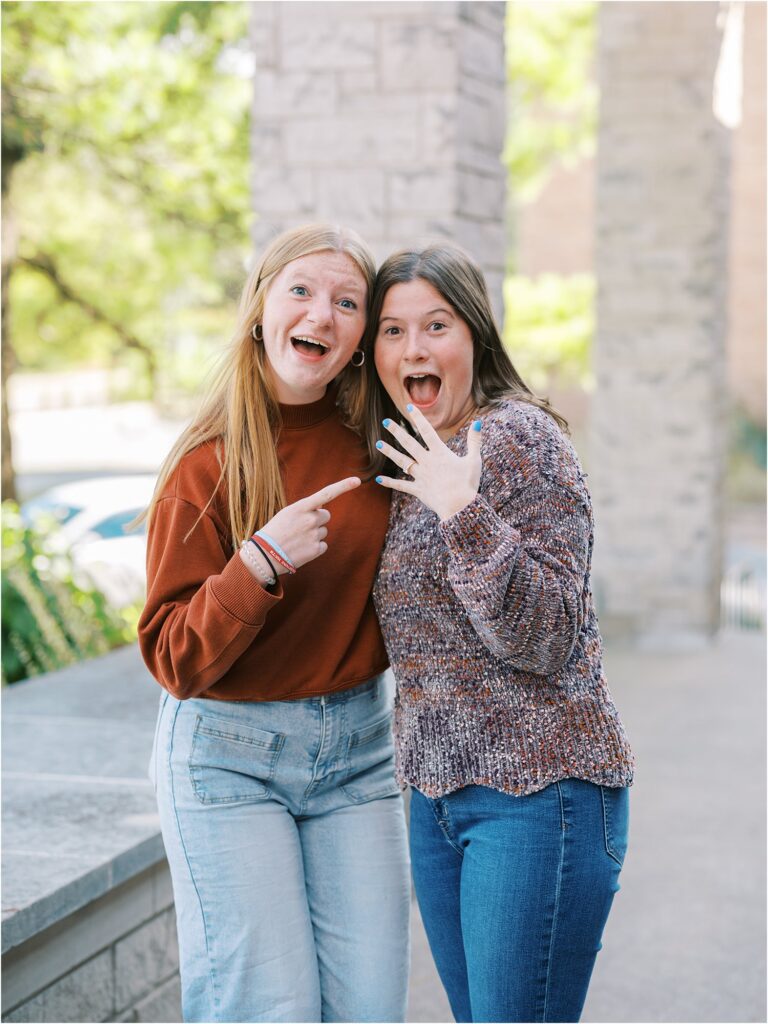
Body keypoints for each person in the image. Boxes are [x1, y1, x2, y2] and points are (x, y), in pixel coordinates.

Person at [137, 224, 410, 1024]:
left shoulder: (378, 450)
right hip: (228, 762)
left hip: (359, 758)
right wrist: (256, 564)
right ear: (261, 307)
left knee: (370, 1007)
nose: (321, 314)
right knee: (267, 1008)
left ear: (361, 336)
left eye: (346, 302)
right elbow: (172, 657)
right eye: (301, 290)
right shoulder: (207, 462)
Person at [362, 244, 635, 1024]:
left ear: (475, 333)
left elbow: (547, 635)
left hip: (540, 798)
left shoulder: (519, 440)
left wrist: (463, 509)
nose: (413, 349)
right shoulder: (411, 452)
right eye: (391, 330)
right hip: (439, 802)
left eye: (435, 325)